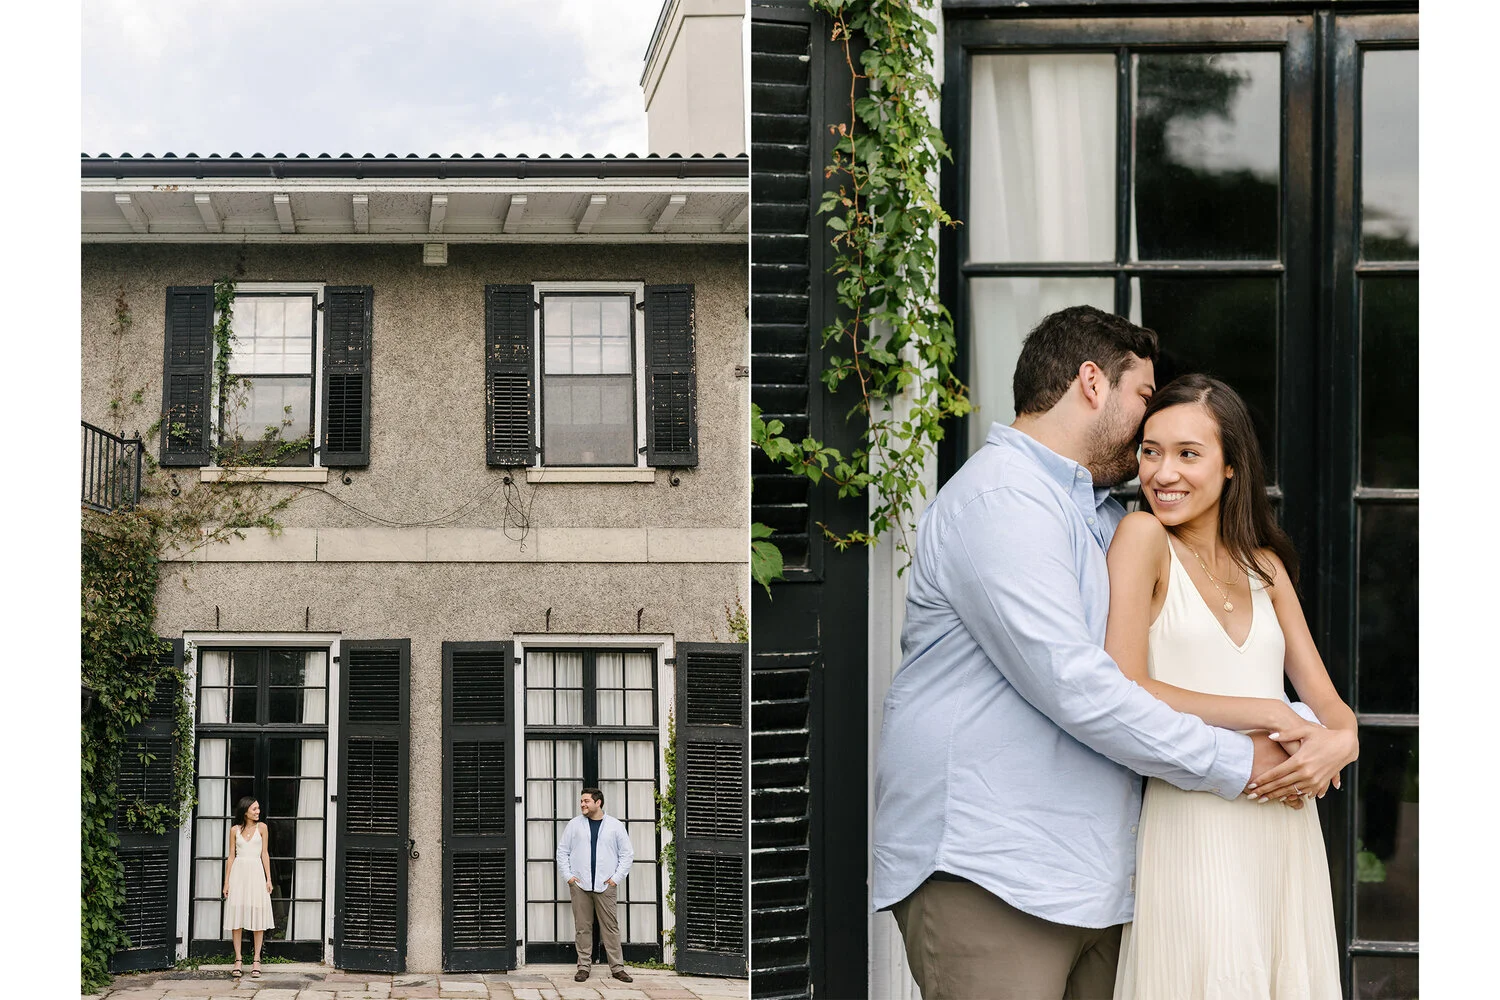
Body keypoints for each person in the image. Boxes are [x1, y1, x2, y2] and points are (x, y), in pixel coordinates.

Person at [871, 306, 1343, 999]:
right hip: (1000, 871)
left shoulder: (1103, 516)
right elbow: (1079, 684)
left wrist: (1334, 734)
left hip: (1105, 881)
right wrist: (1245, 756)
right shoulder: (1004, 499)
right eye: (1146, 400)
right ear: (1093, 383)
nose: (1151, 445)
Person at [1105, 373, 1355, 998]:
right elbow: (1124, 683)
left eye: (1189, 454)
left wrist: (1340, 743)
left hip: (1283, 828)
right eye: (1151, 450)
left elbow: (1329, 705)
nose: (1163, 473)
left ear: (1232, 468)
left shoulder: (1265, 566)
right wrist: (1266, 710)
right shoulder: (1141, 540)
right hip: (1194, 819)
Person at [556, 788, 634, 984]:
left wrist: (615, 878)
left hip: (605, 884)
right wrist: (569, 877)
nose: (582, 804)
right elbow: (562, 851)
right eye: (581, 801)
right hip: (580, 884)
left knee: (611, 928)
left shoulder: (615, 826)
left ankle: (617, 968)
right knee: (582, 928)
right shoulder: (574, 825)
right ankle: (583, 967)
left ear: (598, 803)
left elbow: (627, 854)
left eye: (586, 801)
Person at [221, 796, 275, 979]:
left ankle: (257, 959)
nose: (258, 811)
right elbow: (231, 856)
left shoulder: (263, 828)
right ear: (245, 811)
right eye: (254, 809)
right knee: (237, 917)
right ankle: (238, 959)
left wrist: (269, 879)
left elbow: (265, 854)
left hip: (256, 874)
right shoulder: (234, 830)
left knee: (257, 917)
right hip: (238, 874)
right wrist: (226, 882)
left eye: (258, 808)